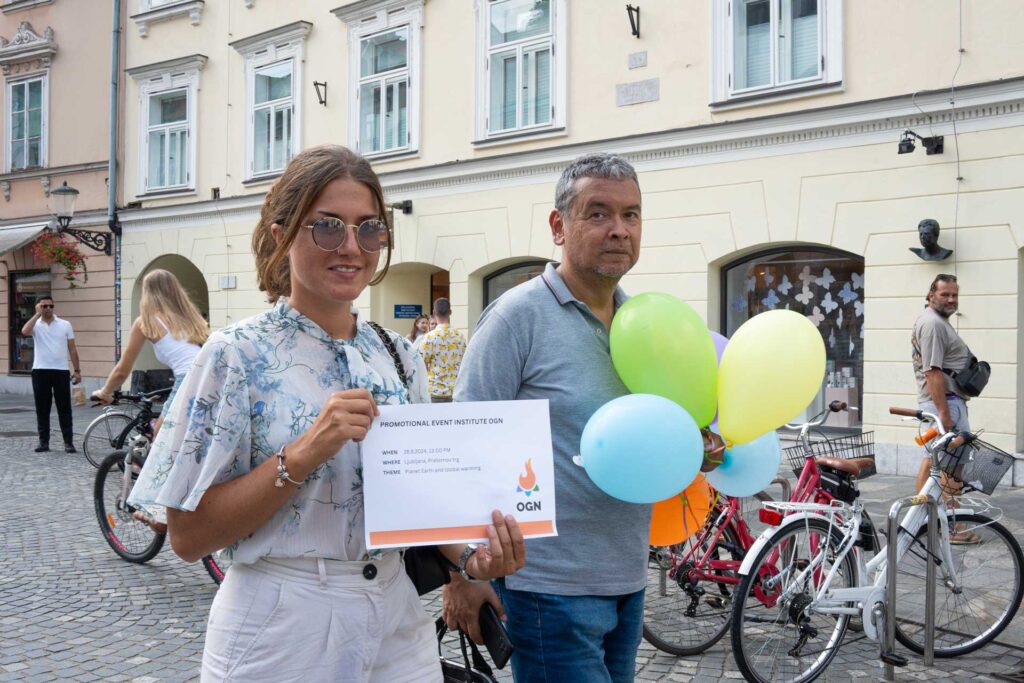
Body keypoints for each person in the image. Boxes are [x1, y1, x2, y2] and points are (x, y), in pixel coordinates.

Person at [127, 145, 525, 682]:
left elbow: (423, 507)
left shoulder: (398, 355)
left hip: (395, 618)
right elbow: (188, 536)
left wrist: (474, 561)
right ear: (281, 236)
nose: (351, 246)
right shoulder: (235, 355)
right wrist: (304, 451)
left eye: (368, 228)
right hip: (281, 619)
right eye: (327, 226)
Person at [447, 152, 649, 682]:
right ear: (559, 225)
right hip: (545, 587)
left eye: (631, 215)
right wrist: (462, 571)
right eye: (599, 213)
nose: (618, 230)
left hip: (627, 574)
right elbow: (466, 445)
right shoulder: (517, 317)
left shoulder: (644, 325)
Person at [91, 268, 209, 533]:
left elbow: (123, 369)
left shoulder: (146, 321)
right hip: (209, 381)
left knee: (161, 443)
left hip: (186, 382)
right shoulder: (190, 319)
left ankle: (157, 514)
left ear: (148, 293)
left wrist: (106, 392)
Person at [911, 273, 978, 543]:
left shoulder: (936, 322)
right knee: (952, 466)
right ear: (931, 295)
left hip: (946, 402)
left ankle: (919, 519)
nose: (951, 299)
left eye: (954, 295)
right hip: (945, 403)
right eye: (945, 294)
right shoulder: (933, 324)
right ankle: (953, 528)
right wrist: (945, 416)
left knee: (933, 461)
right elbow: (933, 372)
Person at [21, 295, 81, 453]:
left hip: (61, 371)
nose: (48, 309)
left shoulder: (65, 324)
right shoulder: (36, 325)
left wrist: (77, 370)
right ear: (38, 307)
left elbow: (72, 349)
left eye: (50, 306)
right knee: (42, 408)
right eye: (44, 306)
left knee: (64, 408)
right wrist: (36, 315)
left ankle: (68, 442)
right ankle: (43, 442)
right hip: (40, 371)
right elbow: (24, 331)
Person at [418, 297, 467, 403]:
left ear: (434, 312)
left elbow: (420, 365)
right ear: (450, 312)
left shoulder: (428, 337)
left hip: (435, 391)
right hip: (456, 390)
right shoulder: (460, 337)